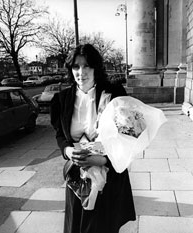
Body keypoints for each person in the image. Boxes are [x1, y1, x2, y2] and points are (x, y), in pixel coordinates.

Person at [50, 43, 136, 233]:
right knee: (77, 227)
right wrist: (67, 150)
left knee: (103, 227)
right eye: (76, 66)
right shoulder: (62, 99)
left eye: (87, 65)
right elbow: (59, 134)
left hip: (109, 176)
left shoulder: (114, 94)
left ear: (96, 67)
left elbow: (130, 136)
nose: (81, 72)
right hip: (77, 180)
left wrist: (103, 159)